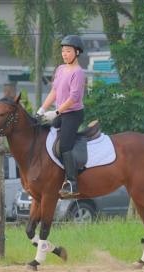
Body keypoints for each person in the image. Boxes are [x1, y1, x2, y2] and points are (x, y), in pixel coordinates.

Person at [36, 34, 86, 198]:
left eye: (68, 51)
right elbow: (55, 91)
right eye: (63, 51)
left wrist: (56, 112)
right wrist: (42, 109)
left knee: (64, 146)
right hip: (60, 112)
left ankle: (72, 182)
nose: (65, 54)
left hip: (73, 114)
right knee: (42, 130)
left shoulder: (78, 73)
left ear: (77, 52)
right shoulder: (60, 69)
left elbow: (73, 98)